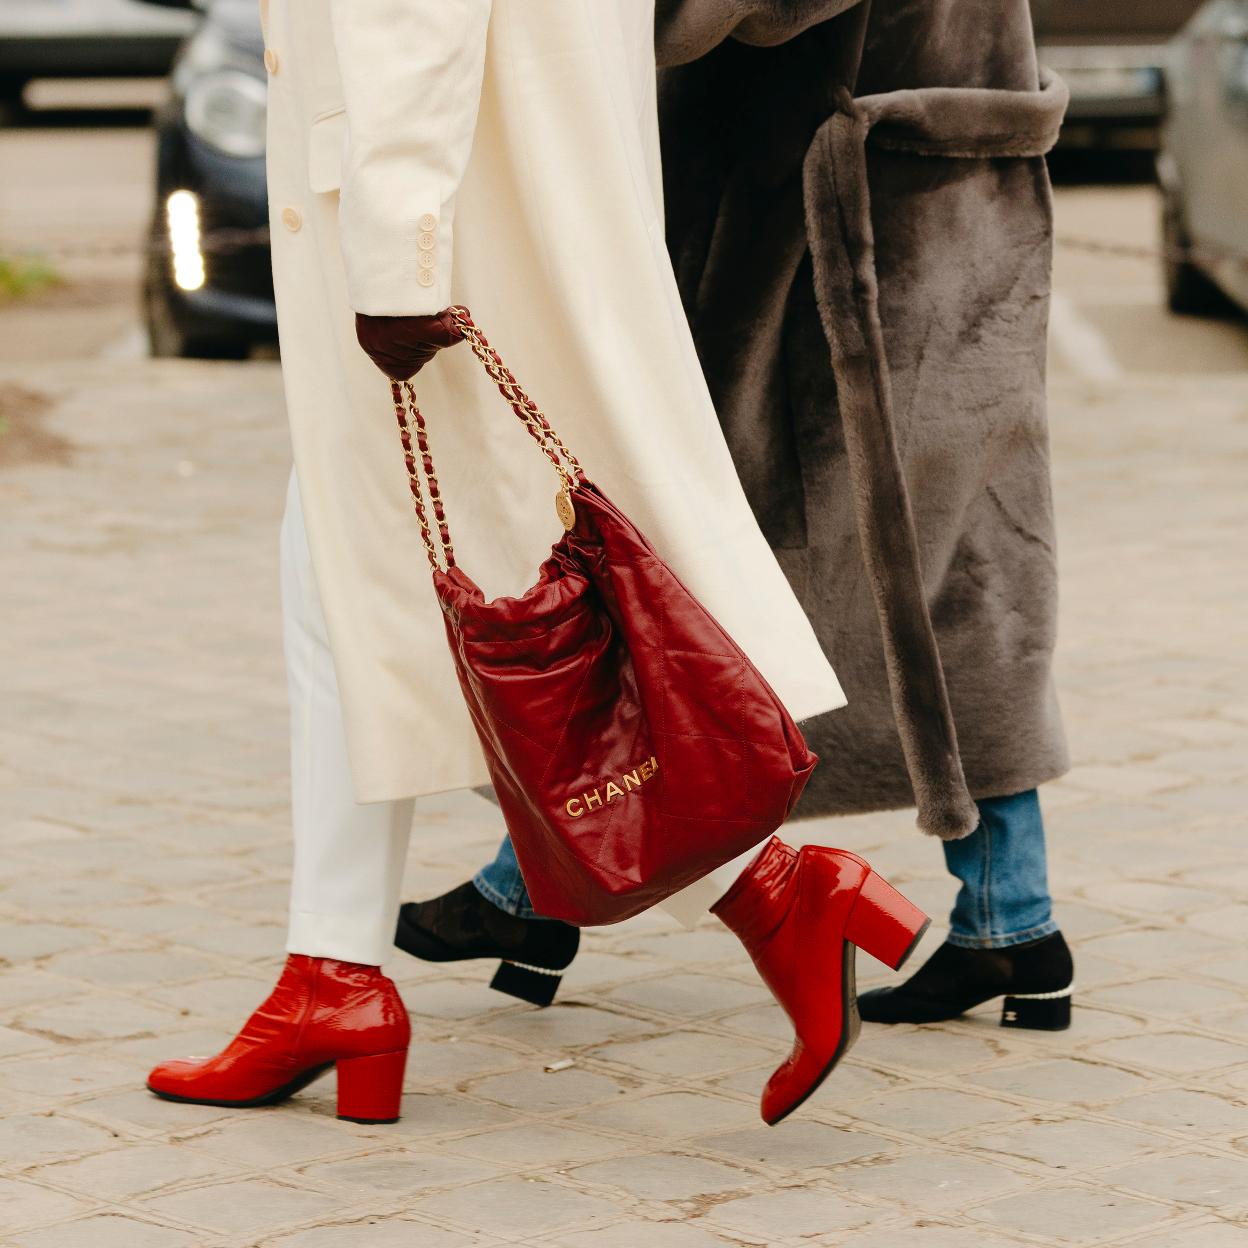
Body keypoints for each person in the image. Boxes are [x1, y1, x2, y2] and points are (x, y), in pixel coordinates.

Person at [145, 0, 925, 1129]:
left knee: (463, 592)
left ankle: (770, 894)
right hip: (514, 181)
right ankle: (335, 972)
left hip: (452, 207)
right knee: (352, 581)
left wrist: (400, 253)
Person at [399, 0, 1077, 1032]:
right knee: (957, 585)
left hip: (838, 257)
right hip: (945, 217)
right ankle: (1010, 919)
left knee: (693, 570)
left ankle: (532, 892)